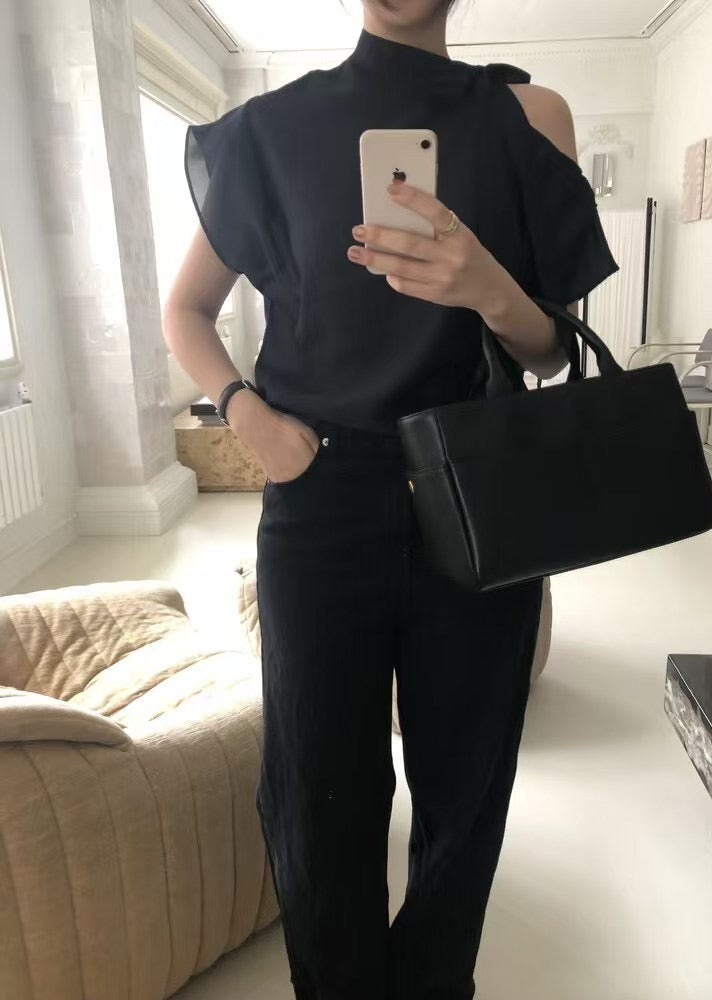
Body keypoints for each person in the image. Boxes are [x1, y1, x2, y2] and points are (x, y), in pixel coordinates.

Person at [163, 1, 619, 997]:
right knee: (317, 792)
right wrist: (248, 416)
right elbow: (186, 309)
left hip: (479, 492)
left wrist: (489, 286)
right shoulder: (269, 129)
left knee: (467, 789)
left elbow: (550, 351)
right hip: (319, 500)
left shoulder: (530, 117)